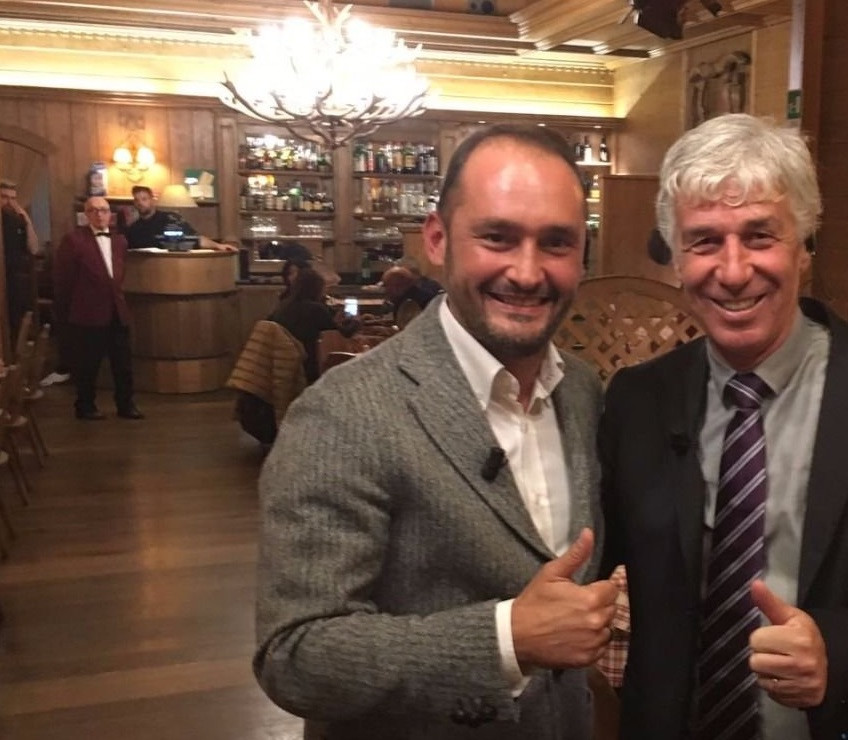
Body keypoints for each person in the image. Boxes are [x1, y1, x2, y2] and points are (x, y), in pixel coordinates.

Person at [599, 114, 848, 739]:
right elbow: (595, 554)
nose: (734, 271)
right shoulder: (637, 401)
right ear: (675, 258)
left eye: (760, 236)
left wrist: (841, 649)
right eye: (704, 242)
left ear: (804, 248)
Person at [254, 123, 613, 739]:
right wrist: (506, 640)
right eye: (497, 237)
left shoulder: (582, 390)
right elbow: (296, 654)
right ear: (438, 239)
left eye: (556, 243)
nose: (528, 272)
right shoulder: (342, 413)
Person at [53, 197, 143, 420]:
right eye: (93, 210)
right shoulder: (73, 240)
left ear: (110, 214)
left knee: (123, 363)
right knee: (88, 364)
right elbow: (64, 279)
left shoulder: (120, 240)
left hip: (117, 311)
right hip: (88, 312)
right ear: (86, 215)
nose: (99, 214)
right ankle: (85, 406)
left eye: (103, 210)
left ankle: (126, 405)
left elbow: (119, 274)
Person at [267, 267, 357, 384]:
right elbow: (342, 334)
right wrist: (356, 322)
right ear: (317, 289)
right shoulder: (315, 309)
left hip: (281, 362)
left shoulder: (282, 307)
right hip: (308, 365)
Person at [123, 185, 234, 251]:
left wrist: (218, 246)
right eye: (137, 200)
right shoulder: (133, 229)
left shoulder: (170, 219)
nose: (140, 203)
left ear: (152, 200)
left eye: (144, 199)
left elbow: (195, 239)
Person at [0, 179, 42, 345]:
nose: (9, 203)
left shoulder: (17, 220)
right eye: (4, 197)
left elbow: (34, 248)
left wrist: (26, 220)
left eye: (13, 198)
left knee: (15, 321)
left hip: (14, 279)